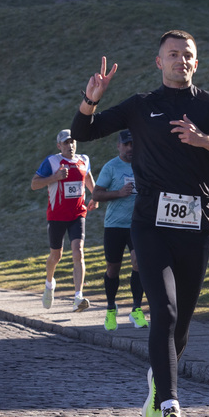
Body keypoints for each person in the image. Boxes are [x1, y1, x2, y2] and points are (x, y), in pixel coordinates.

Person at [71, 30, 209, 417]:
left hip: (195, 226)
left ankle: (159, 385)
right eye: (172, 54)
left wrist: (206, 141)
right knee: (165, 312)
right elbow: (84, 131)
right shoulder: (142, 106)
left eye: (187, 55)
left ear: (196, 62)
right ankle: (172, 405)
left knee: (182, 326)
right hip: (150, 224)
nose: (181, 60)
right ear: (159, 62)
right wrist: (92, 98)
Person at [31, 129, 97, 312]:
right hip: (57, 216)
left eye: (73, 142)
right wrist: (55, 177)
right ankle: (49, 283)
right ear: (59, 146)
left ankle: (78, 297)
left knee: (78, 251)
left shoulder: (84, 159)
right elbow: (34, 184)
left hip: (77, 214)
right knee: (56, 256)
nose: (70, 146)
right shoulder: (52, 162)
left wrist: (95, 196)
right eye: (66, 143)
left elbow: (88, 178)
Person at [91, 129, 147, 332]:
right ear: (119, 146)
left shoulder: (144, 164)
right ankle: (111, 309)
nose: (130, 148)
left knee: (138, 263)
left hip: (137, 224)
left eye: (133, 144)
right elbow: (96, 194)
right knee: (112, 269)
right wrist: (119, 193)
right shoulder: (111, 167)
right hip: (114, 225)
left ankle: (136, 309)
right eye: (126, 144)